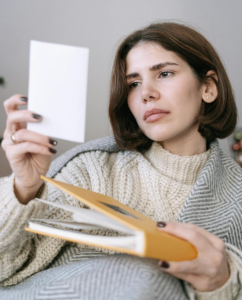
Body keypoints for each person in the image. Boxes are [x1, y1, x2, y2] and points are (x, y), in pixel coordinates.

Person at [0, 22, 242, 299]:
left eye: (164, 73)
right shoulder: (91, 171)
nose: (145, 93)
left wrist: (220, 282)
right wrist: (23, 189)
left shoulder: (237, 195)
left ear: (208, 88)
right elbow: (6, 270)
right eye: (134, 83)